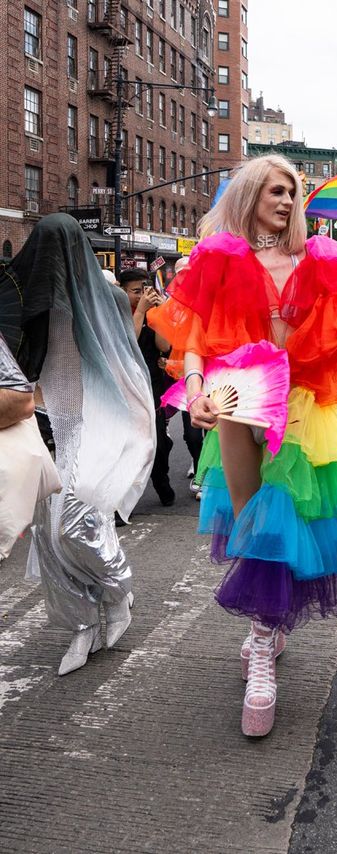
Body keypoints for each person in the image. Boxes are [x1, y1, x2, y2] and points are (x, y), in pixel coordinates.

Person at [148, 155, 337, 737]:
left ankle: (261, 647)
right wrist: (194, 391)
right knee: (252, 525)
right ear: (251, 194)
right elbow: (194, 337)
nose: (286, 200)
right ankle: (267, 633)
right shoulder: (219, 256)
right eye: (276, 190)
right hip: (234, 398)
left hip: (298, 403)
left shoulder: (316, 257)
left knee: (281, 522)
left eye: (292, 192)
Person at [9, 214, 155, 675]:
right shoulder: (27, 300)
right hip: (56, 424)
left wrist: (137, 422)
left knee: (72, 522)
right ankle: (80, 623)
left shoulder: (107, 296)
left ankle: (117, 591)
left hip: (104, 420)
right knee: (48, 534)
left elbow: (126, 357)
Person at [119, 268, 178, 506]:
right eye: (135, 291)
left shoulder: (153, 312)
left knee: (158, 443)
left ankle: (161, 481)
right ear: (122, 292)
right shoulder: (118, 311)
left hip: (151, 384)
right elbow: (128, 343)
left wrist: (158, 314)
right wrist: (140, 311)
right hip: (125, 385)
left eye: (143, 289)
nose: (140, 295)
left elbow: (164, 346)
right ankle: (125, 500)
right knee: (129, 445)